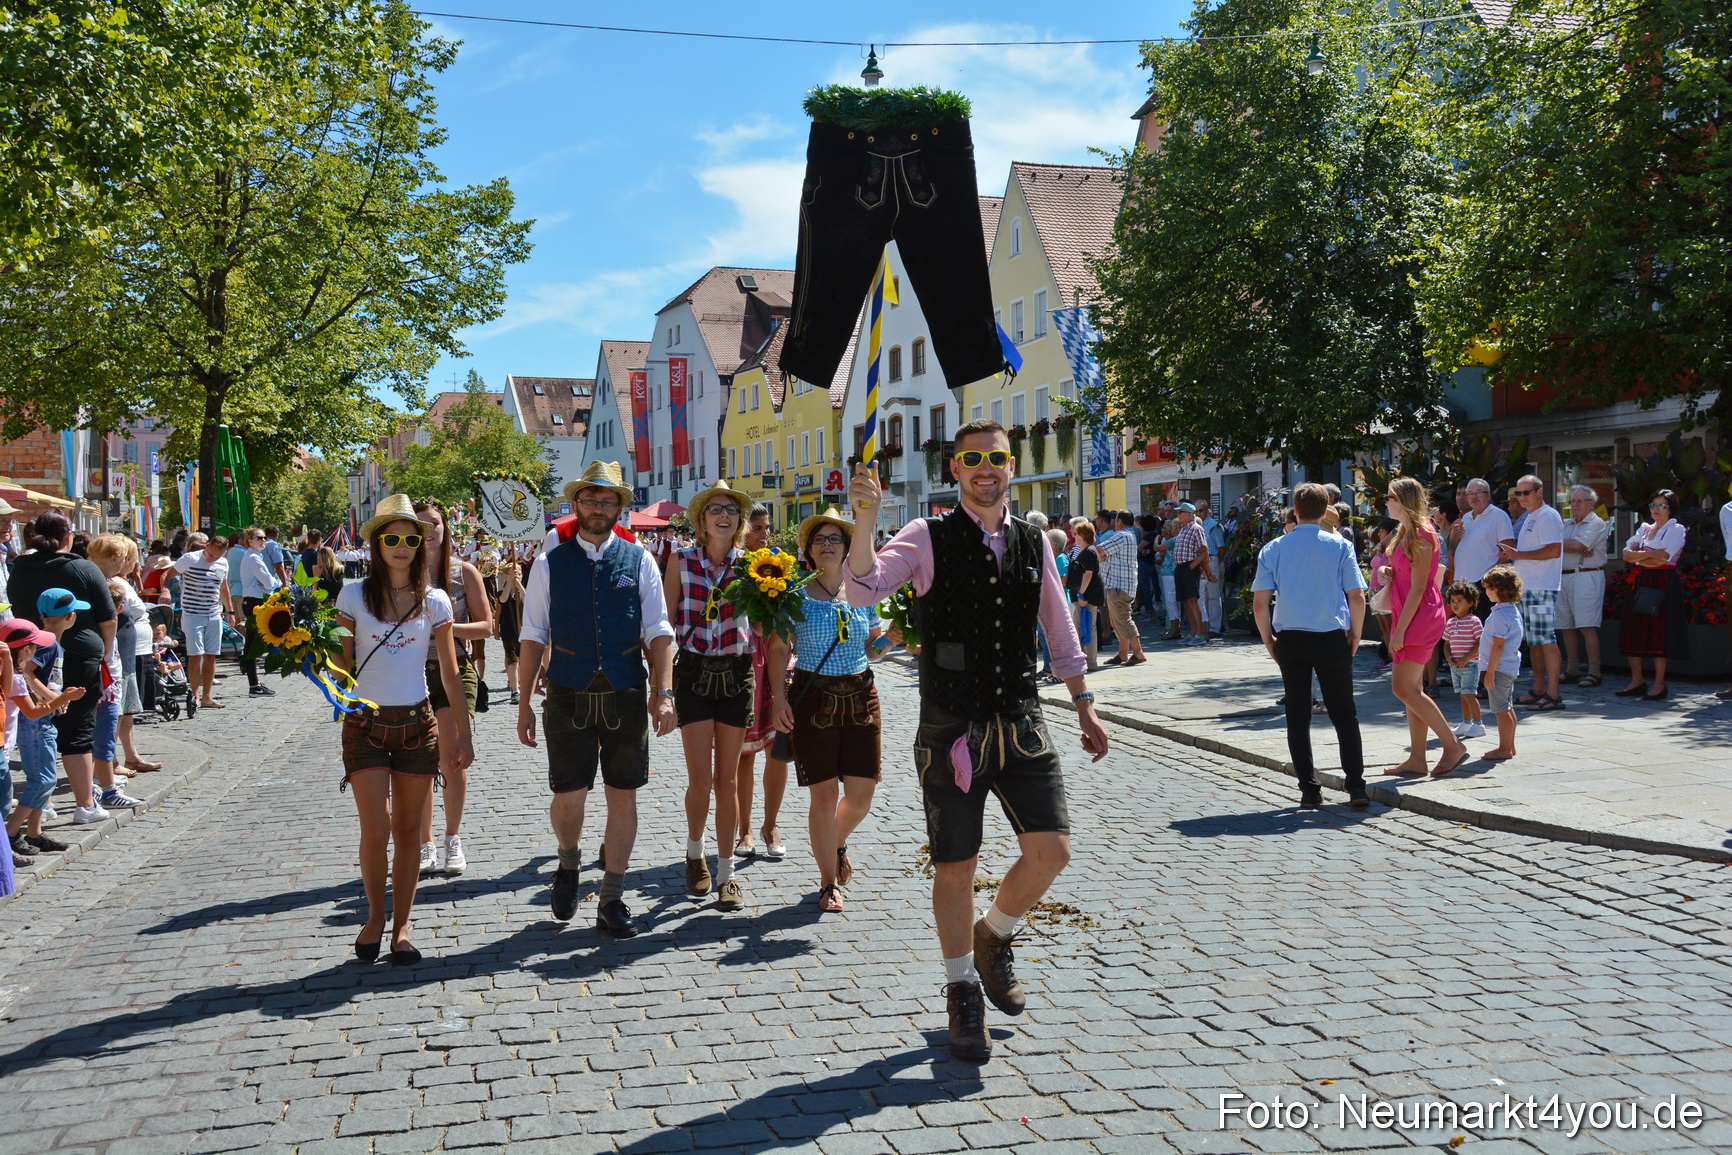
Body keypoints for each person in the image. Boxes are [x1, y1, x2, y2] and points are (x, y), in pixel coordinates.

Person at [843, 418, 1109, 1064]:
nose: (985, 467)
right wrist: (863, 521)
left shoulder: (1032, 541)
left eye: (995, 456)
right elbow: (861, 588)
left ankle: (994, 935)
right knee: (955, 865)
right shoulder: (925, 536)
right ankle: (962, 986)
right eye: (972, 458)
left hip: (1021, 719)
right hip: (951, 728)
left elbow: (1058, 627)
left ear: (1010, 465)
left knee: (1053, 850)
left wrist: (1083, 704)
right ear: (954, 468)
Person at [516, 463, 675, 938]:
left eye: (607, 501)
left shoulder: (640, 559)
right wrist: (524, 702)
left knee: (622, 794)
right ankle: (568, 864)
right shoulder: (548, 563)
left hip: (625, 690)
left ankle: (612, 896)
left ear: (619, 509)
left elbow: (659, 631)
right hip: (567, 690)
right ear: (576, 506)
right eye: (590, 500)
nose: (598, 509)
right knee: (568, 795)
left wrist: (662, 692)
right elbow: (532, 635)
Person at [332, 494, 473, 966]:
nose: (400, 546)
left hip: (418, 724)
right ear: (376, 543)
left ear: (420, 543)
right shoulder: (352, 594)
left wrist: (464, 734)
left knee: (410, 832)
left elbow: (451, 673)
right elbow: (341, 663)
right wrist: (310, 649)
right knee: (377, 830)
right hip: (365, 725)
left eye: (409, 539)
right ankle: (375, 916)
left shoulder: (435, 599)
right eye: (390, 538)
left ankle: (403, 927)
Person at [766, 506, 888, 912]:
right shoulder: (793, 594)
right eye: (820, 539)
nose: (828, 544)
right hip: (813, 697)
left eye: (835, 538)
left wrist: (896, 638)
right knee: (823, 796)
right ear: (810, 550)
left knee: (861, 794)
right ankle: (827, 883)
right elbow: (779, 648)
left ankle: (836, 842)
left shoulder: (863, 591)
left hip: (860, 695)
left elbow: (874, 648)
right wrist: (779, 699)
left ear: (848, 547)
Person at [1250, 483, 1370, 809]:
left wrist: (1268, 640)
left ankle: (1309, 789)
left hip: (1291, 638)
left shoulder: (1274, 548)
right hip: (1331, 636)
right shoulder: (1340, 546)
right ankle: (1356, 786)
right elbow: (1357, 596)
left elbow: (1260, 603)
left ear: (1297, 511)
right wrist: (1356, 635)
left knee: (1297, 716)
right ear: (1325, 510)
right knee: (1345, 714)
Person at [664, 478, 754, 912]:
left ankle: (726, 873)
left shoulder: (756, 567)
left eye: (731, 510)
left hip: (737, 674)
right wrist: (659, 685)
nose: (724, 515)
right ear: (701, 521)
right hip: (695, 672)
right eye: (716, 509)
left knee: (728, 781)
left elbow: (765, 626)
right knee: (701, 781)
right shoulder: (680, 561)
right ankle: (694, 853)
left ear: (738, 522)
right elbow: (664, 624)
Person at [6, 513, 120, 821]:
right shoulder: (82, 567)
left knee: (35, 730)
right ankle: (85, 804)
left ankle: (42, 804)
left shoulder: (18, 569)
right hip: (79, 657)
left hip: (28, 659)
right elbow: (108, 618)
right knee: (78, 730)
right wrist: (106, 652)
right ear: (68, 537)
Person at [412, 501, 492, 875]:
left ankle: (452, 838)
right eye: (420, 527)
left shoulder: (464, 572)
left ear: (446, 528)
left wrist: (446, 628)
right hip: (408, 672)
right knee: (418, 763)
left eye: (435, 525)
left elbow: (487, 627)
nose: (429, 533)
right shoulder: (399, 574)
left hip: (453, 669)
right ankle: (424, 843)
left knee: (450, 755)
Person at [1378, 478, 1469, 778]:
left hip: (1418, 616)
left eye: (1389, 496)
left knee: (1402, 688)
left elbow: (1418, 589)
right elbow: (1408, 576)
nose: (1385, 501)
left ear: (1403, 499)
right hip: (1411, 613)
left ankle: (1452, 745)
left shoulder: (1420, 534)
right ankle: (1417, 759)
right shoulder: (1405, 532)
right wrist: (1387, 570)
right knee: (1412, 690)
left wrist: (1400, 631)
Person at [734, 503, 790, 862]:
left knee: (778, 750)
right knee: (742, 754)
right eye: (757, 528)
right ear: (742, 530)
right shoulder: (736, 568)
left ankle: (771, 825)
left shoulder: (781, 565)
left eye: (767, 527)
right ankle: (745, 829)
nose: (764, 535)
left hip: (775, 658)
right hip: (743, 660)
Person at [5, 620, 86, 857]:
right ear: (26, 650)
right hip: (34, 728)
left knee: (44, 781)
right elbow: (31, 712)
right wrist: (62, 698)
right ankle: (11, 832)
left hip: (35, 728)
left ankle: (33, 831)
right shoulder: (17, 677)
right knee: (42, 781)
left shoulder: (17, 673)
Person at [1498, 475, 1565, 710]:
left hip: (1541, 587)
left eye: (1527, 492)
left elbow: (1554, 550)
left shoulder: (1547, 515)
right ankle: (1538, 689)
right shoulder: (1531, 517)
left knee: (1546, 640)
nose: (1522, 497)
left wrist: (1519, 555)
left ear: (1540, 491)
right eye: (1519, 493)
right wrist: (1515, 554)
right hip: (1529, 587)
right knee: (1534, 642)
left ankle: (1553, 694)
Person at [1616, 489, 1689, 703]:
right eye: (1653, 505)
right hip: (1640, 581)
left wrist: (1640, 556)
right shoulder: (1645, 528)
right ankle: (1636, 681)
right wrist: (1648, 554)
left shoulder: (1676, 529)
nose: (1656, 510)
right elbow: (1626, 555)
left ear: (1671, 508)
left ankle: (1659, 684)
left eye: (1662, 505)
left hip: (1662, 582)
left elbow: (1663, 561)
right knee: (1633, 629)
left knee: (1660, 632)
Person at [172, 532, 238, 708]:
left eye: (218, 556)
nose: (213, 558)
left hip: (214, 613)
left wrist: (230, 611)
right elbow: (167, 575)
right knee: (195, 655)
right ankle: (194, 695)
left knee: (211, 655)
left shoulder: (223, 563)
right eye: (211, 554)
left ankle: (207, 696)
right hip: (193, 612)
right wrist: (164, 590)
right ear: (206, 545)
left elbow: (223, 588)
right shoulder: (190, 559)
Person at [1557, 485, 1610, 688]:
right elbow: (1572, 546)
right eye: (1573, 501)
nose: (1575, 505)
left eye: (1580, 501)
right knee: (1566, 625)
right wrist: (1570, 545)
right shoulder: (1567, 524)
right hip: (1565, 576)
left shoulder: (1597, 523)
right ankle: (1572, 669)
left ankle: (1594, 671)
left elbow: (1579, 546)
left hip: (1586, 576)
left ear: (1591, 503)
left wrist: (1565, 545)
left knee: (1587, 625)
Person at [1477, 565, 1525, 760]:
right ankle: (1509, 746)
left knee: (1500, 709)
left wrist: (1489, 671)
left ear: (1497, 589)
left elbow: (1498, 645)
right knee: (1507, 707)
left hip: (1499, 669)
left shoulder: (1499, 615)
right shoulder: (1511, 611)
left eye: (1488, 587)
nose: (1485, 591)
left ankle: (1504, 748)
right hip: (1509, 667)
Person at [1453, 479, 1515, 616]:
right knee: (1466, 631)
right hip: (1462, 583)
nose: (1474, 497)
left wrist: (1489, 579)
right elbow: (1454, 550)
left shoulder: (1499, 516)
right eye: (1470, 494)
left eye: (1479, 492)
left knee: (1482, 629)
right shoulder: (1465, 518)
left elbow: (1508, 550)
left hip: (1484, 585)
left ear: (1488, 495)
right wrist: (1454, 537)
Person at [1097, 511, 1145, 667]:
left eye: (1115, 519)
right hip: (1124, 584)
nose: (1114, 522)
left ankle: (1138, 653)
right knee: (1118, 620)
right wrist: (1104, 556)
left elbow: (1099, 551)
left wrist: (1103, 556)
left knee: (1123, 619)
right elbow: (1103, 553)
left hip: (1118, 585)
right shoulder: (1130, 534)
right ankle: (1122, 653)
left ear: (1120, 521)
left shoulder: (1121, 536)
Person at [236, 528, 280, 698]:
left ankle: (254, 682)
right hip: (254, 602)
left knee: (253, 644)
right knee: (252, 645)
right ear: (250, 541)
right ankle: (253, 685)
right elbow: (269, 582)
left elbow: (267, 582)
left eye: (264, 538)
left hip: (255, 601)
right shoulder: (253, 558)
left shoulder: (255, 556)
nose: (263, 541)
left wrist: (268, 583)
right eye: (259, 538)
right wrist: (271, 582)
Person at [1442, 581, 1485, 738]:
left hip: (1470, 665)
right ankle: (1466, 722)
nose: (1455, 604)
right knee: (1462, 694)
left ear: (1470, 602)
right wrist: (1448, 657)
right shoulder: (1451, 622)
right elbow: (1446, 644)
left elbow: (1480, 643)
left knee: (1470, 694)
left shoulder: (1474, 621)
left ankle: (1479, 724)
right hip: (1456, 666)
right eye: (1453, 601)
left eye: (1460, 601)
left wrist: (1466, 659)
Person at [1170, 503, 1212, 646]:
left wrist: (1192, 565)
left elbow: (1204, 550)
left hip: (1189, 568)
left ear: (1188, 514)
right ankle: (1193, 633)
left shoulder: (1196, 528)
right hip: (1181, 568)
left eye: (1180, 512)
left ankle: (1199, 635)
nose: (1178, 515)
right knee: (1186, 602)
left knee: (1193, 601)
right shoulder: (1184, 529)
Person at [1065, 521, 1103, 673]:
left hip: (1087, 597)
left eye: (1075, 533)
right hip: (1081, 596)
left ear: (1082, 535)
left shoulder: (1088, 552)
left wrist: (1081, 594)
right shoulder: (1084, 551)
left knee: (1088, 628)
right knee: (1080, 627)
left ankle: (1091, 661)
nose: (1073, 536)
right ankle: (1083, 659)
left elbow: (1088, 575)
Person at [495, 551, 524, 706]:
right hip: (508, 630)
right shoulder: (502, 591)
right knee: (513, 661)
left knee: (524, 661)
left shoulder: (524, 591)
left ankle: (519, 683)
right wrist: (509, 583)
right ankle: (515, 689)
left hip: (525, 631)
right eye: (513, 574)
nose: (516, 575)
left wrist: (518, 585)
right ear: (505, 576)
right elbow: (503, 599)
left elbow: (528, 601)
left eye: (519, 573)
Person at [1197, 501, 1226, 635]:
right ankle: (1206, 626)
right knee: (1204, 596)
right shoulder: (1197, 525)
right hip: (1202, 561)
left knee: (1213, 595)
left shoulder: (1214, 526)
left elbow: (1221, 548)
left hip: (1212, 558)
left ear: (1207, 510)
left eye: (1201, 510)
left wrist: (1215, 564)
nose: (1199, 513)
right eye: (1196, 511)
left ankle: (1215, 627)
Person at [1157, 519, 1180, 639]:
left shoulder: (1174, 540)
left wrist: (1156, 540)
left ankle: (1174, 629)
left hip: (1170, 573)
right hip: (1170, 573)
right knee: (1171, 602)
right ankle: (1172, 628)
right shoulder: (1174, 540)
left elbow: (1157, 548)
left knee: (1171, 602)